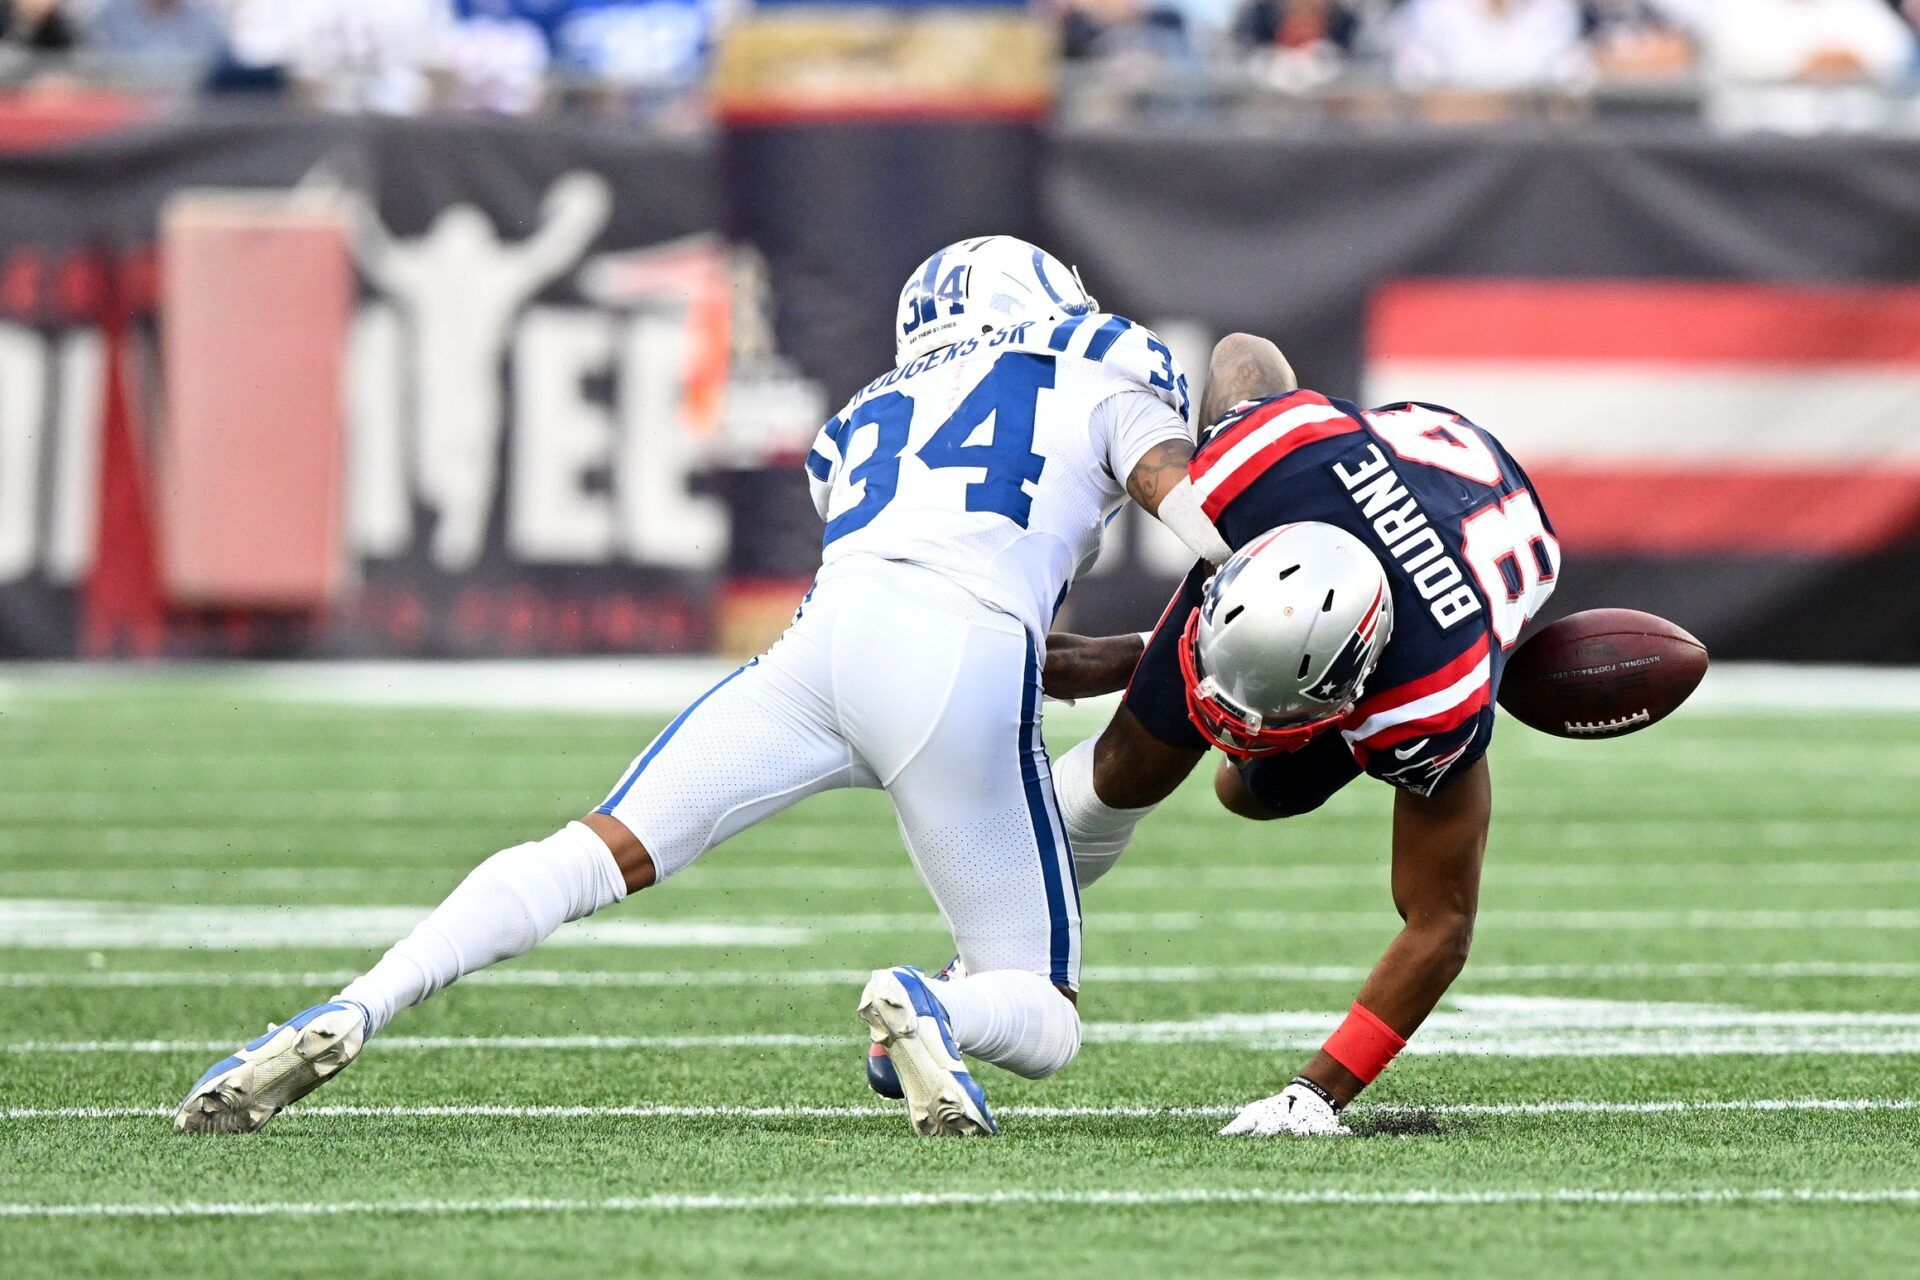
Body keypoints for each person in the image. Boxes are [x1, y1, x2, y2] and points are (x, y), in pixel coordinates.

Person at [172, 235, 1233, 1139]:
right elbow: (1172, 498)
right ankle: (933, 1006)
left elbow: (1036, 649)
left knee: (592, 848)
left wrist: (1150, 643)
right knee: (1043, 1011)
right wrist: (1237, 588)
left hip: (823, 651)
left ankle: (361, 999)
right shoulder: (1097, 359)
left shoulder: (871, 412)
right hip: (960, 657)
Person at [1039, 333, 1561, 1136]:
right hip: (1338, 494)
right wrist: (1184, 519)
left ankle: (1176, 665)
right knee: (1143, 759)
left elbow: (1442, 923)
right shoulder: (1269, 466)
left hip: (1444, 595)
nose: (1235, 724)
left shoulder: (1432, 697)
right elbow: (1244, 355)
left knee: (1246, 791)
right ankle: (1170, 649)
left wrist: (1316, 1093)